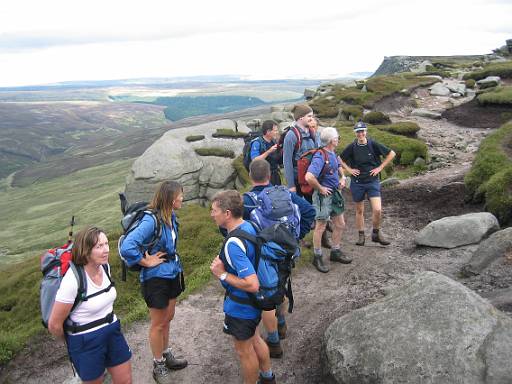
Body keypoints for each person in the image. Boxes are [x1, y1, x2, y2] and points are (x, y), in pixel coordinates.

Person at [244, 159, 315, 358]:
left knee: (266, 296)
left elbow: (230, 227)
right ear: (269, 175)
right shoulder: (285, 194)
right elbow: (310, 212)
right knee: (281, 286)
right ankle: (281, 325)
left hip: (263, 256)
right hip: (286, 252)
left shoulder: (247, 200)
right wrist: (295, 238)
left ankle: (274, 342)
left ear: (251, 176)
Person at [119, 181, 187, 384]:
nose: (183, 198)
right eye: (180, 195)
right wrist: (145, 261)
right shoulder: (151, 220)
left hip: (173, 271)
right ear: (171, 198)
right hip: (156, 279)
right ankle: (158, 366)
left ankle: (166, 355)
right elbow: (128, 246)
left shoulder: (170, 217)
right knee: (158, 324)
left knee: (168, 318)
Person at [49, 226, 132, 384]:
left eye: (106, 244)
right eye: (99, 246)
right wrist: (73, 342)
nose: (106, 250)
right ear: (85, 250)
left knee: (126, 381)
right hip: (85, 341)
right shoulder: (72, 281)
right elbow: (54, 325)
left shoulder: (105, 267)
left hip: (113, 331)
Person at [210, 190, 276, 384]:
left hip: (241, 307)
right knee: (255, 338)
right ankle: (268, 377)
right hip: (253, 305)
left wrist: (221, 274)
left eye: (214, 210)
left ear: (227, 213)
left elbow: (252, 283)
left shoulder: (233, 244)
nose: (212, 214)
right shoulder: (248, 226)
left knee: (244, 352)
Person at [339, 121, 396, 246]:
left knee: (377, 209)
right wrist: (349, 170)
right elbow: (339, 158)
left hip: (372, 181)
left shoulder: (373, 144)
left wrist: (380, 168)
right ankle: (361, 236)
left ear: (366, 131)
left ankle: (376, 234)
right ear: (355, 133)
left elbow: (392, 153)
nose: (360, 134)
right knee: (359, 211)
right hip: (357, 183)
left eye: (362, 131)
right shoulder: (352, 147)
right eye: (358, 132)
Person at [305, 127, 351, 273]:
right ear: (332, 140)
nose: (338, 139)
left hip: (335, 194)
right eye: (337, 137)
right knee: (320, 226)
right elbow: (309, 177)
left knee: (340, 224)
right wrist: (321, 189)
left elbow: (337, 164)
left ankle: (335, 252)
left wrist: (342, 177)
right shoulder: (320, 156)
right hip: (323, 197)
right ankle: (317, 257)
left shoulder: (331, 153)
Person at [282, 104, 319, 200]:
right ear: (301, 117)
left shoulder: (311, 132)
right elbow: (287, 162)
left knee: (312, 208)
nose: (312, 119)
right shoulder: (291, 136)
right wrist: (291, 185)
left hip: (311, 178)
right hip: (297, 181)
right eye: (309, 116)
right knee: (299, 209)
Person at [249, 119, 282, 186]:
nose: (277, 132)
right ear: (268, 131)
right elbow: (255, 160)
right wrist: (269, 151)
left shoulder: (274, 141)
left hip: (275, 174)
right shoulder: (257, 143)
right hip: (263, 177)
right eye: (275, 130)